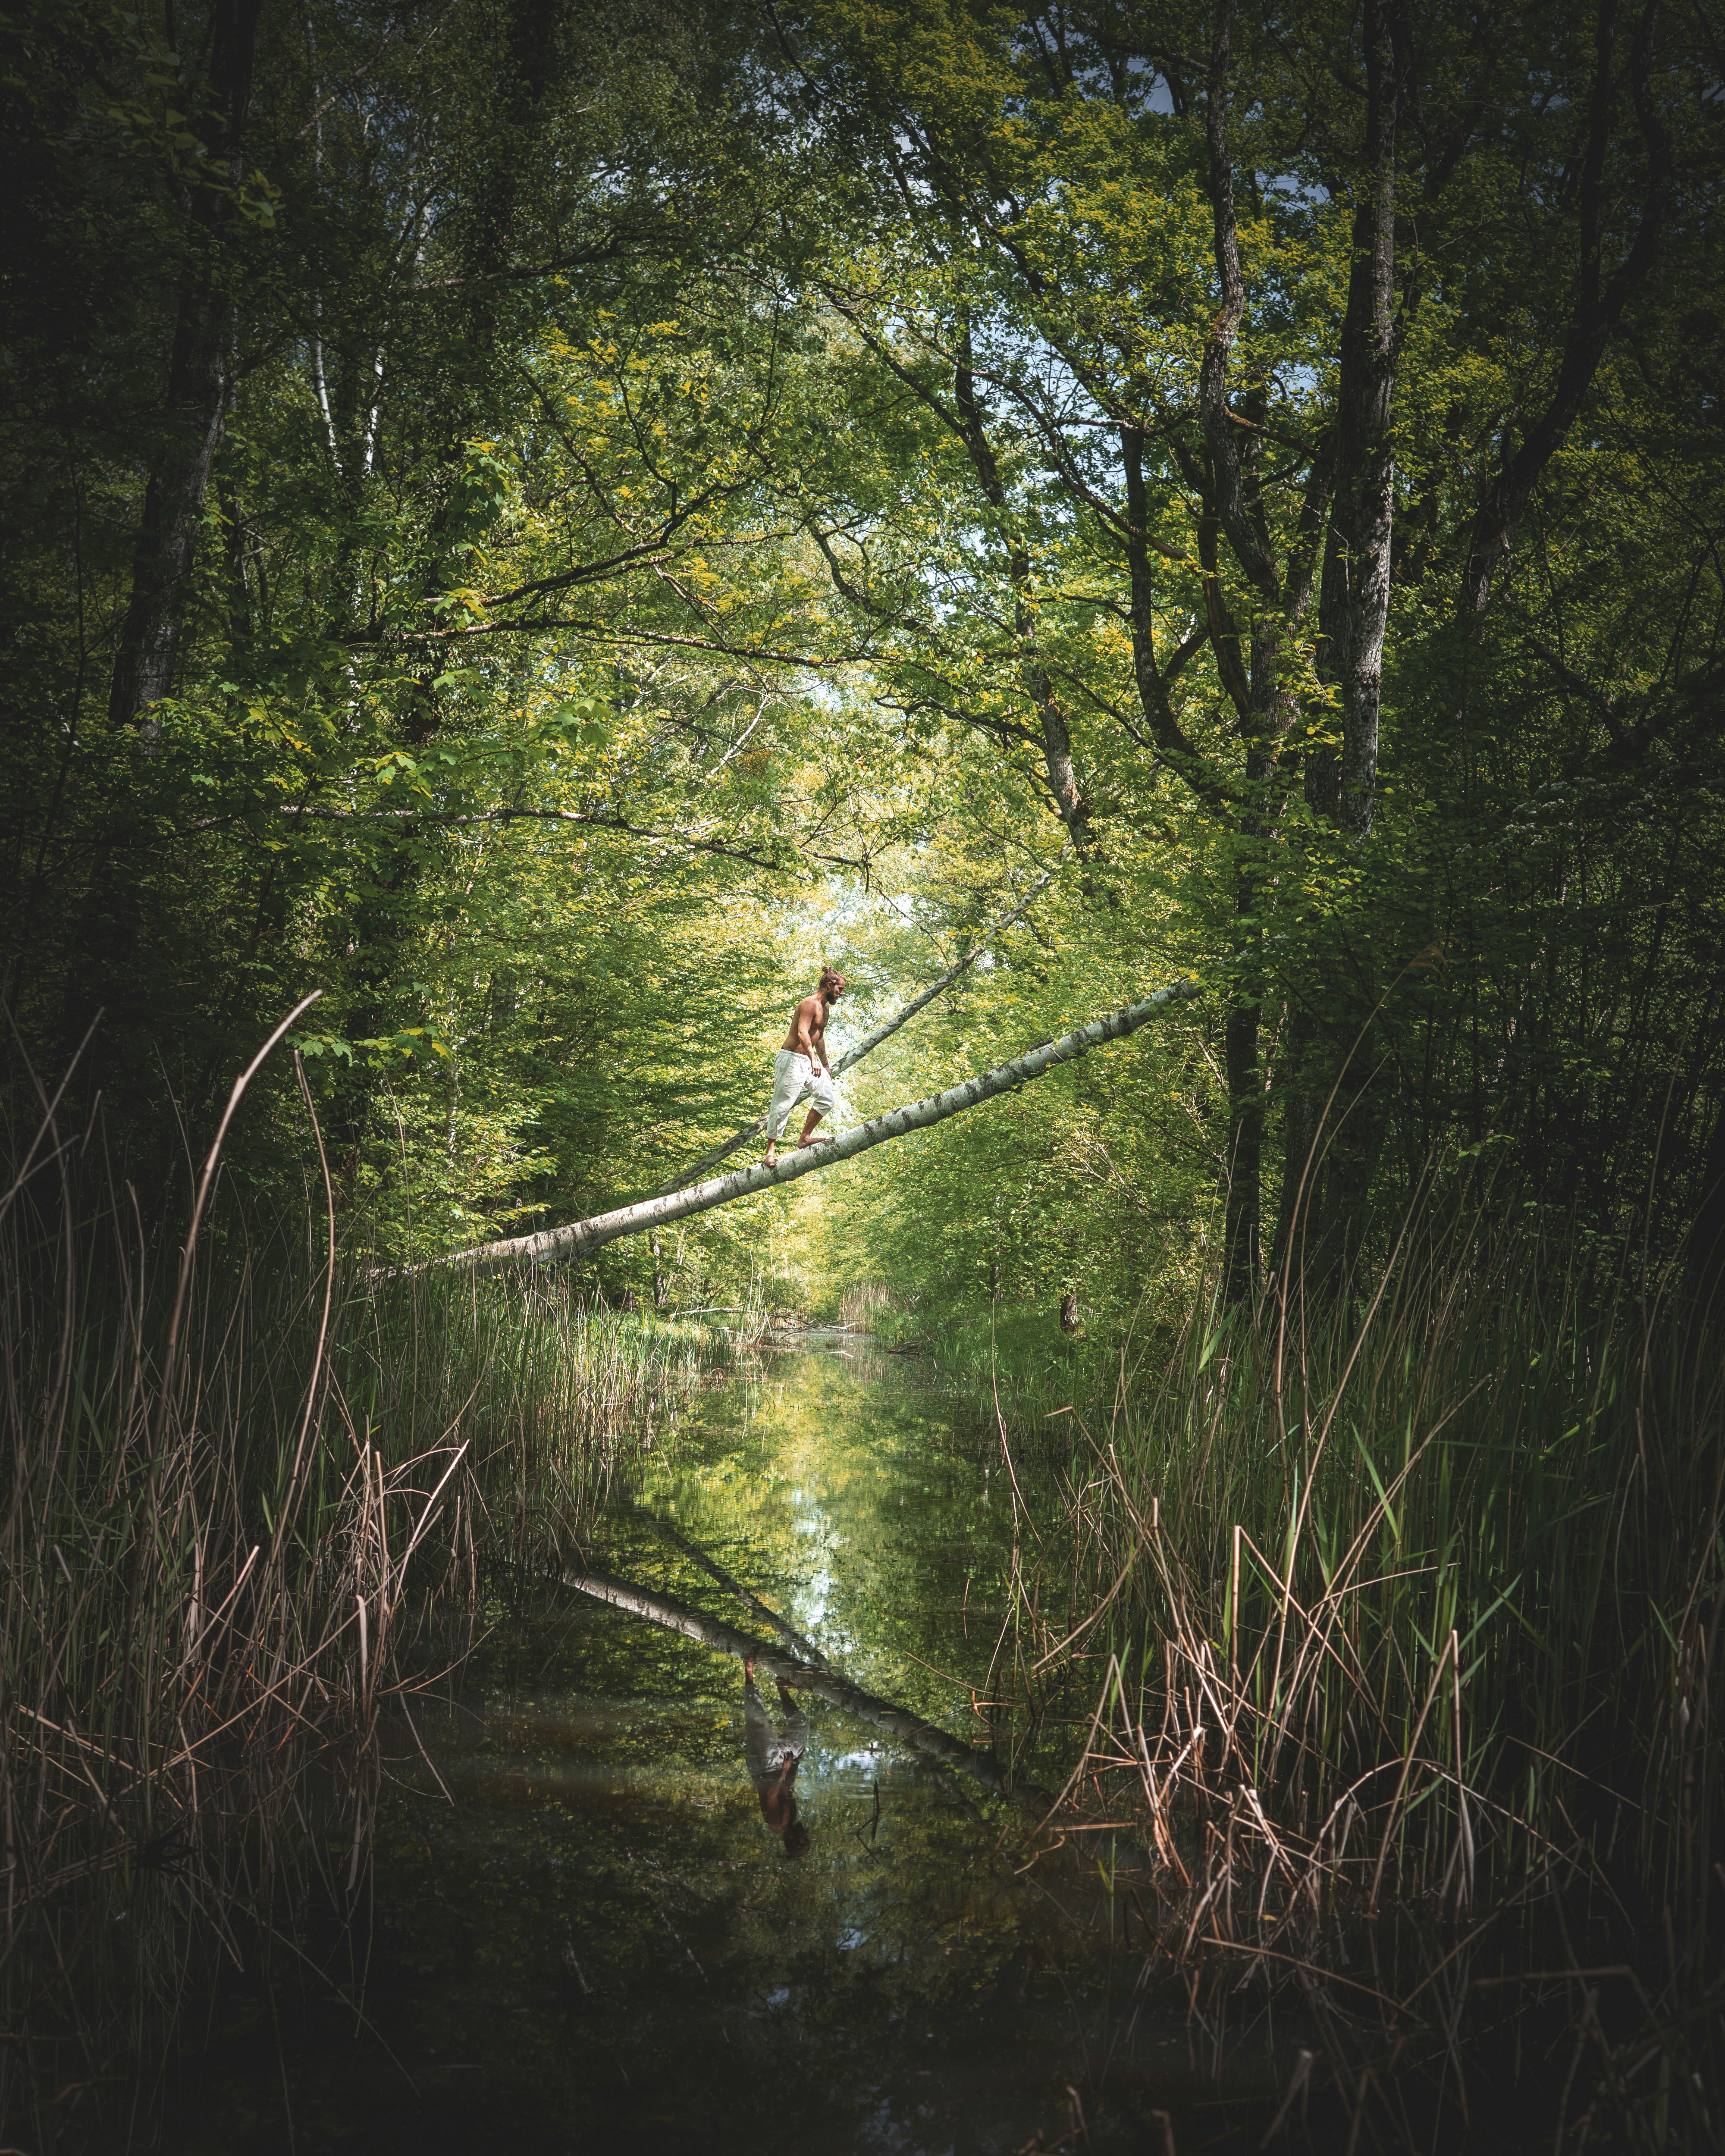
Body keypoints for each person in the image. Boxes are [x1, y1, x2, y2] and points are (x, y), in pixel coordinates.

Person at [763, 966, 845, 1168]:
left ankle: (805, 1138)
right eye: (840, 990)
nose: (841, 994)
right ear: (829, 985)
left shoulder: (825, 1008)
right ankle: (770, 1151)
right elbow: (802, 1033)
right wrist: (813, 1060)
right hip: (791, 1059)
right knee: (783, 1105)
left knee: (827, 1098)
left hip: (809, 1061)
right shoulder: (809, 1004)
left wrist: (825, 1065)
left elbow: (820, 1038)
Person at [743, 1658, 811, 1858]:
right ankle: (782, 1687)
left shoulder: (776, 1823)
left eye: (804, 1841)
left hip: (765, 1766)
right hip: (782, 1765)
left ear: (793, 1841)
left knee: (758, 1721)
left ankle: (749, 1673)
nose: (806, 1836)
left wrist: (784, 1770)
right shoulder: (791, 1820)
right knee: (801, 1725)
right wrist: (793, 1764)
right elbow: (787, 1790)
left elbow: (772, 1795)